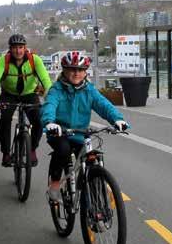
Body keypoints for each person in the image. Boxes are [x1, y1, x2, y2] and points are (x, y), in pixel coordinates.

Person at [41, 51, 128, 201]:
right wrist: (50, 122)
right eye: (72, 69)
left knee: (91, 156)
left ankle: (92, 183)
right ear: (65, 70)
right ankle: (54, 184)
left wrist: (117, 120)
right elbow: (49, 106)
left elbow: (103, 105)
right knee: (63, 150)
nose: (76, 73)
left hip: (80, 133)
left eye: (80, 70)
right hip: (59, 132)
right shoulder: (56, 89)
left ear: (85, 72)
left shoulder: (89, 90)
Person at [0, 34, 52, 167]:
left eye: (21, 47)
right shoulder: (3, 61)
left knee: (38, 121)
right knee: (5, 119)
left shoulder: (35, 60)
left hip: (29, 93)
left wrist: (51, 97)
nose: (18, 51)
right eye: (15, 48)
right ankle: (6, 153)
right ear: (10, 49)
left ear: (25, 48)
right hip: (9, 94)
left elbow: (46, 79)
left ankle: (32, 149)